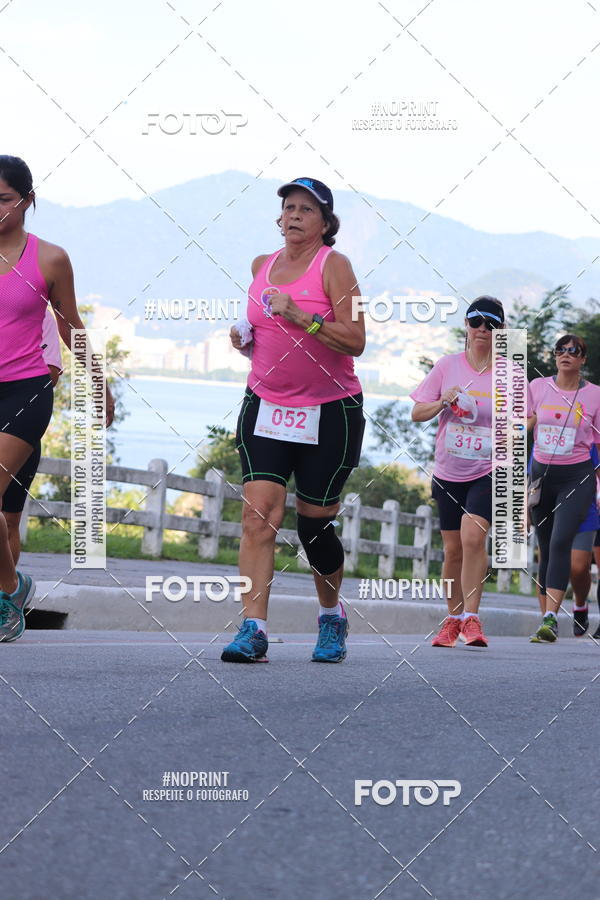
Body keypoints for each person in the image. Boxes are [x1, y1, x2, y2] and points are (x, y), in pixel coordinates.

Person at [222, 177, 365, 663]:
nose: (295, 215)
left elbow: (356, 339)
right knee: (258, 517)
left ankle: (331, 618)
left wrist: (303, 316)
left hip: (329, 412)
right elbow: (265, 332)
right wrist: (245, 339)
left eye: (307, 209)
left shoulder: (336, 266)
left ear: (326, 223)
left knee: (315, 528)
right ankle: (253, 629)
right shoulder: (262, 265)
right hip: (266, 404)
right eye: (289, 207)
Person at [0, 155, 115, 643]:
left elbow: (70, 326)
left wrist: (100, 385)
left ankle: (5, 603)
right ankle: (14, 586)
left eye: (4, 200)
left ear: (28, 200)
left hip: (25, 391)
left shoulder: (49, 258)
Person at [411, 296, 530, 649]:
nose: (482, 330)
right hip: (449, 469)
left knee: (473, 537)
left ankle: (472, 619)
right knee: (452, 550)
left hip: (488, 469)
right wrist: (443, 401)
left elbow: (520, 427)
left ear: (502, 331)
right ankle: (452, 619)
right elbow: (418, 412)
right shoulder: (447, 366)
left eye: (491, 324)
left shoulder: (512, 375)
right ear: (466, 325)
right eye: (476, 322)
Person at [528, 334, 600, 643]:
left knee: (561, 543)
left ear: (583, 359)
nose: (566, 354)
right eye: (560, 349)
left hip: (578, 478)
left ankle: (551, 618)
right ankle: (546, 617)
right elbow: (523, 424)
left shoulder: (595, 396)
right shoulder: (537, 388)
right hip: (542, 479)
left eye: (574, 351)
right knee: (546, 550)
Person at [3, 308, 63, 565]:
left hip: (20, 425)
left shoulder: (40, 315)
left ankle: (7, 595)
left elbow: (52, 373)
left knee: (9, 519)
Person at [529, 445, 600, 638]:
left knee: (578, 566)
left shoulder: (588, 440)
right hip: (550, 505)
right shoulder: (546, 435)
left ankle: (580, 604)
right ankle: (547, 620)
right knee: (548, 555)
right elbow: (532, 477)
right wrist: (523, 510)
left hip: (585, 508)